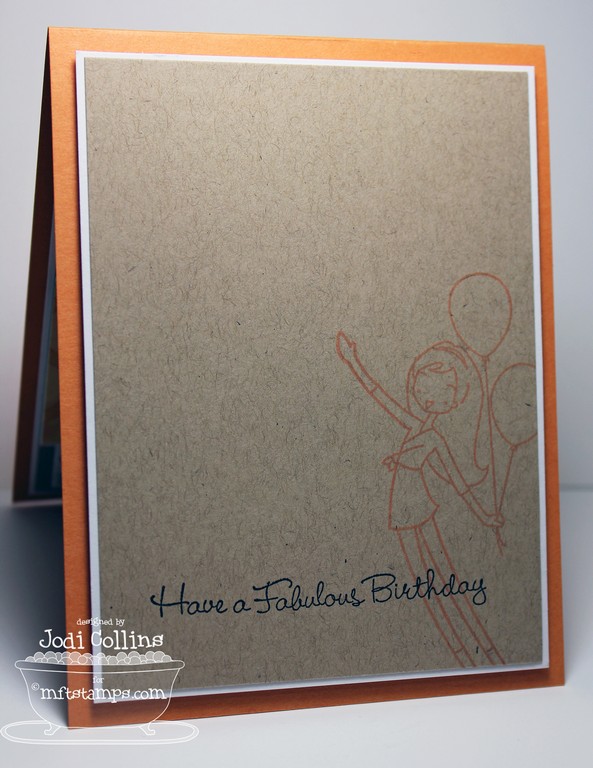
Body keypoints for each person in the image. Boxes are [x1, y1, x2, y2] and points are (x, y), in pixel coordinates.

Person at [336, 331, 505, 668]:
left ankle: (479, 651)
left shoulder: (434, 438)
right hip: (402, 512)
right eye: (422, 389)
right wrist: (352, 360)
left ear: (453, 399)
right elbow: (379, 395)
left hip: (419, 510)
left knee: (440, 581)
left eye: (440, 393)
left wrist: (486, 517)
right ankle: (460, 650)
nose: (427, 398)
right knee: (425, 585)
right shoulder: (414, 425)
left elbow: (458, 483)